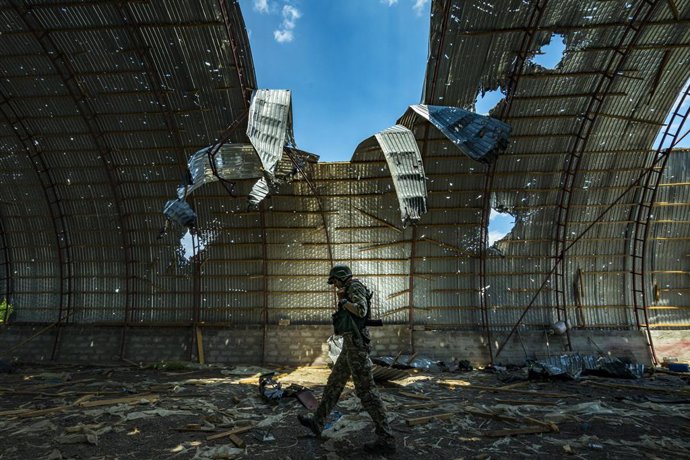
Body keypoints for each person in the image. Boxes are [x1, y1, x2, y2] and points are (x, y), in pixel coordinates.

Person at [297, 264, 396, 453]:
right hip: (350, 346)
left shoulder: (355, 287)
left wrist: (343, 302)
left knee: (367, 393)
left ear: (341, 277)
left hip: (357, 347)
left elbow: (361, 310)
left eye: (334, 281)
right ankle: (317, 423)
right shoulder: (348, 289)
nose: (334, 285)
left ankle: (387, 439)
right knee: (334, 384)